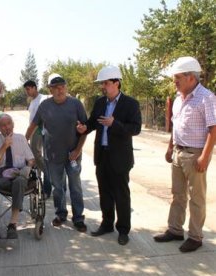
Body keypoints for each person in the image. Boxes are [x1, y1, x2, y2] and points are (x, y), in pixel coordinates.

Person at [153, 56, 216, 252]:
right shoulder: (179, 99)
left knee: (196, 197)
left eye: (178, 77)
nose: (175, 82)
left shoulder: (206, 97)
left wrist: (204, 157)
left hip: (195, 154)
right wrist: (170, 147)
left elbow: (214, 129)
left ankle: (195, 237)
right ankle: (175, 230)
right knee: (177, 195)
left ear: (191, 77)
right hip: (179, 153)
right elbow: (175, 125)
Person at [76, 65, 141, 245]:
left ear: (116, 83)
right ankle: (106, 224)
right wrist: (84, 128)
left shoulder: (130, 104)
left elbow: (135, 129)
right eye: (102, 83)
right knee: (104, 193)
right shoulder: (100, 103)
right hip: (102, 156)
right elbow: (92, 123)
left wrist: (115, 123)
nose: (103, 87)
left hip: (120, 158)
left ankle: (123, 230)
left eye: (105, 83)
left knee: (121, 194)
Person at [26, 73, 88, 233]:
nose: (60, 90)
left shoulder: (76, 104)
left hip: (72, 155)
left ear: (66, 88)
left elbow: (84, 130)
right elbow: (33, 125)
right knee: (58, 188)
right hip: (52, 156)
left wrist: (77, 150)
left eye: (62, 87)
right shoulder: (44, 106)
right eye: (56, 88)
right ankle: (61, 214)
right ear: (50, 89)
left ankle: (78, 218)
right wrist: (23, 142)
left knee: (75, 187)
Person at [0, 114, 35, 239]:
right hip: (2, 177)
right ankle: (13, 216)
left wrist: (27, 168)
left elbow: (31, 160)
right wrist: (4, 146)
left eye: (9, 123)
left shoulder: (21, 139)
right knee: (18, 183)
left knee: (20, 181)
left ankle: (12, 224)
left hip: (19, 175)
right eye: (2, 125)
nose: (6, 127)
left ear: (13, 125)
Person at [23, 80, 52, 198]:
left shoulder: (43, 98)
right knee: (35, 157)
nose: (27, 92)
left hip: (40, 131)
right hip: (33, 131)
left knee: (39, 157)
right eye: (26, 90)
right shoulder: (32, 102)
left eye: (29, 89)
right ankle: (40, 183)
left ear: (35, 87)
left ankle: (48, 180)